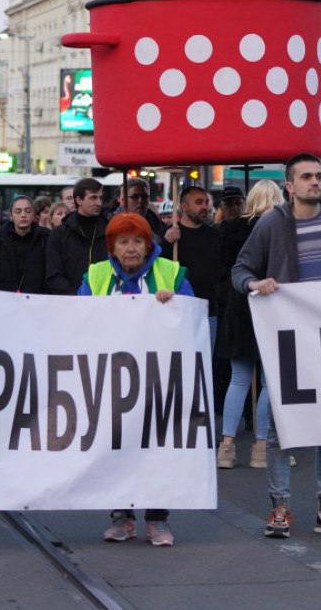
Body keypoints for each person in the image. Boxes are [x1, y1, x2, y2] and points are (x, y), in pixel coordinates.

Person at [232, 154, 321, 540]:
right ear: (290, 186)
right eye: (306, 176)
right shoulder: (272, 223)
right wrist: (255, 284)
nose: (315, 182)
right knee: (281, 425)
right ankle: (280, 506)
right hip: (287, 338)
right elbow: (240, 271)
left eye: (319, 176)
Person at [78, 213, 194, 547]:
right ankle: (121, 516)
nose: (131, 248)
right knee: (115, 446)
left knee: (156, 448)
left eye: (138, 241)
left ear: (148, 245)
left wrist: (175, 304)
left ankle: (157, 519)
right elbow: (79, 319)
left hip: (157, 379)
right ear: (112, 247)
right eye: (123, 242)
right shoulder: (96, 276)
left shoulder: (172, 273)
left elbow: (191, 319)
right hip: (110, 378)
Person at [217, 180, 283, 469]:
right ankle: (261, 447)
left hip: (238, 306)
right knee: (269, 383)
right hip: (270, 306)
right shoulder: (279, 228)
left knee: (239, 379)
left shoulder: (231, 228)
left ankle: (226, 447)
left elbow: (224, 266)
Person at [162, 186, 224, 397]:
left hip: (209, 311)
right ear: (184, 206)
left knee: (206, 365)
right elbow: (156, 265)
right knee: (180, 364)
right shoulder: (173, 236)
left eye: (206, 202)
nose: (205, 206)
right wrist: (166, 242)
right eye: (199, 202)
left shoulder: (215, 235)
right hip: (180, 311)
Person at [45, 178, 108, 294]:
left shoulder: (109, 231)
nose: (99, 203)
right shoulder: (59, 234)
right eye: (93, 198)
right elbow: (53, 275)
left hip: (104, 299)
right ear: (79, 200)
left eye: (100, 198)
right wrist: (76, 296)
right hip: (70, 301)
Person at [0, 194, 50, 293]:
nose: (23, 215)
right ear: (11, 215)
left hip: (39, 299)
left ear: (33, 214)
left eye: (28, 211)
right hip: (6, 299)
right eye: (18, 211)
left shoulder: (45, 239)